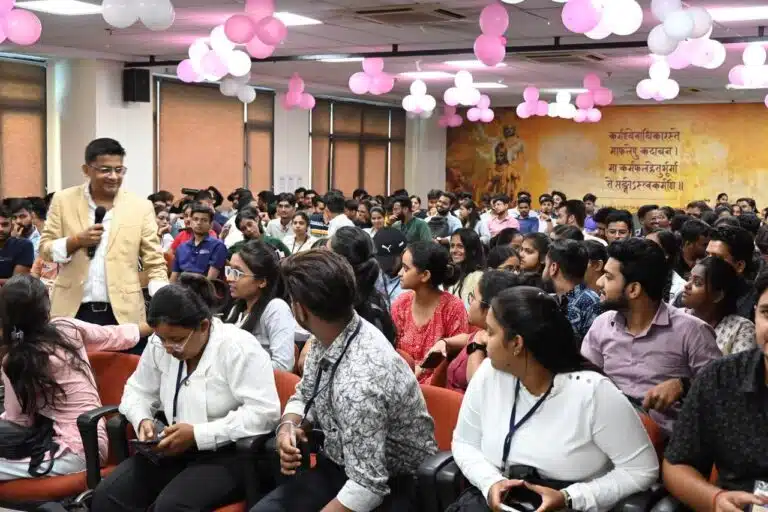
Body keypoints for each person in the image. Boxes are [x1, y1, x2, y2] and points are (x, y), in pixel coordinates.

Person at [251, 251, 437, 512]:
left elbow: (368, 487)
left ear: (300, 310)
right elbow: (305, 394)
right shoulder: (332, 333)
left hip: (394, 483)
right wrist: (288, 426)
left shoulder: (360, 381)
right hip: (340, 464)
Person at [448, 286, 659, 512]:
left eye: (490, 332)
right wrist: (490, 483)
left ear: (517, 343)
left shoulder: (593, 393)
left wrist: (570, 497)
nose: (482, 339)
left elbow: (641, 470)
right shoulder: (489, 373)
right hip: (500, 501)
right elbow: (465, 443)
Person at [92, 273, 281, 511]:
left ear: (204, 326)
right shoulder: (160, 344)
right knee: (107, 496)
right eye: (162, 339)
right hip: (172, 447)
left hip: (229, 452)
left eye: (177, 340)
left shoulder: (238, 347)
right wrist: (142, 420)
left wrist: (198, 434)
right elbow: (137, 390)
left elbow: (264, 412)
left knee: (171, 507)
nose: (168, 348)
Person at [0, 275, 146, 480]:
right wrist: (154, 325)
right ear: (46, 306)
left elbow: (19, 422)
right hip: (86, 441)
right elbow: (116, 336)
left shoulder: (15, 360)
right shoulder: (66, 328)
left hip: (75, 450)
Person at [581, 238, 721, 435]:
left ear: (633, 289)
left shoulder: (691, 331)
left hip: (669, 442)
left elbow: (721, 389)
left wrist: (684, 386)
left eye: (609, 277)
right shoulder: (602, 325)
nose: (599, 282)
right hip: (608, 435)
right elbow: (584, 383)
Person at [662, 270, 768, 512]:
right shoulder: (721, 378)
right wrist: (715, 499)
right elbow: (677, 464)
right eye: (767, 313)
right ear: (755, 314)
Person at [39, 138, 168, 326]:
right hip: (71, 311)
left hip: (124, 315)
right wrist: (76, 241)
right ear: (86, 170)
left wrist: (162, 301)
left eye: (119, 170)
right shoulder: (63, 200)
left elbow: (155, 261)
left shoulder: (140, 207)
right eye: (105, 170)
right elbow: (45, 250)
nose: (114, 176)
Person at [391, 241, 469, 383]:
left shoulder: (452, 307)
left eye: (406, 269)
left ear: (425, 275)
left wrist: (445, 343)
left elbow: (464, 341)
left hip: (437, 386)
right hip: (402, 380)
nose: (399, 273)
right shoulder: (401, 304)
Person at [445, 270, 522, 392]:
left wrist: (477, 345)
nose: (470, 303)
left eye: (473, 298)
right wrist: (444, 342)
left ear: (489, 308)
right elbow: (468, 337)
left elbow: (477, 389)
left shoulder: (499, 346)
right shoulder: (484, 332)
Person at [224, 240, 295, 371]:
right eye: (229, 270)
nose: (229, 278)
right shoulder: (237, 308)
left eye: (238, 273)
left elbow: (283, 366)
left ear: (262, 281)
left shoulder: (276, 309)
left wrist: (236, 370)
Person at [682, 256, 756, 355]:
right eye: (689, 278)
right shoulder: (676, 317)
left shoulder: (741, 328)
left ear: (718, 295)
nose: (687, 285)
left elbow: (740, 364)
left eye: (697, 283)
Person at [542, 239, 601, 343]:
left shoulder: (589, 301)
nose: (544, 269)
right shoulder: (552, 299)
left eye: (546, 265)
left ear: (553, 268)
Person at [171, 202, 228, 281]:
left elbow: (210, 280)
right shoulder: (181, 248)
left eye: (204, 220)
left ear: (211, 224)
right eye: (195, 219)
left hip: (205, 287)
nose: (199, 223)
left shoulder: (218, 246)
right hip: (182, 286)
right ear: (191, 222)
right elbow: (173, 277)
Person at [449, 228, 486, 308]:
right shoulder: (453, 274)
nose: (454, 250)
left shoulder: (478, 277)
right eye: (452, 246)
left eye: (460, 246)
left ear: (473, 250)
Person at [373, 227, 408, 309]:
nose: (384, 266)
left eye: (389, 261)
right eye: (380, 260)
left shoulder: (412, 283)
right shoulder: (374, 272)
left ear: (403, 254)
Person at [0, 205, 33, 285]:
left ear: (12, 225)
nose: (1, 229)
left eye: (5, 224)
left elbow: (18, 282)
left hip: (10, 292)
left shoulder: (23, 245)